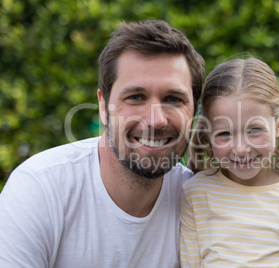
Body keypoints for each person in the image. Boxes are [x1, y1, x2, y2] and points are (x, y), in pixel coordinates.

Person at [0, 20, 205, 267]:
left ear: (194, 111)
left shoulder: (199, 201)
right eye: (136, 97)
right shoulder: (40, 190)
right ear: (102, 106)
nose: (156, 120)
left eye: (173, 99)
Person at [180, 57, 279, 267]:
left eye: (254, 130)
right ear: (208, 132)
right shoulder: (195, 194)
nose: (241, 149)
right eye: (224, 133)